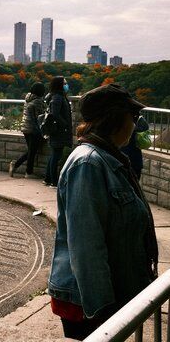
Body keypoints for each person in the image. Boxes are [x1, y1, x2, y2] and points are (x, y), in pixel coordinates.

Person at [48, 84, 158, 340]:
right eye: (133, 117)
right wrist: (105, 312)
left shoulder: (109, 159)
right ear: (115, 119)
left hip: (109, 295)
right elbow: (86, 248)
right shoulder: (88, 164)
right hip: (88, 304)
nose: (135, 124)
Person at [9, 82, 45, 178]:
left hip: (26, 128)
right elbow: (41, 115)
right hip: (33, 129)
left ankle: (16, 165)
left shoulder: (28, 99)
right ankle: (28, 172)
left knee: (31, 151)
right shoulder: (37, 101)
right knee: (32, 151)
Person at [43, 76, 73, 187]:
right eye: (65, 83)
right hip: (59, 131)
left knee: (54, 154)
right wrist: (64, 124)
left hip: (58, 130)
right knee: (56, 155)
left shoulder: (58, 96)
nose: (66, 85)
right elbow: (55, 114)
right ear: (59, 85)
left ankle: (47, 178)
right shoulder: (57, 97)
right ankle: (53, 181)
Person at [120, 115, 149, 180]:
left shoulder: (113, 118)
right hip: (135, 160)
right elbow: (146, 128)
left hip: (121, 159)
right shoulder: (138, 119)